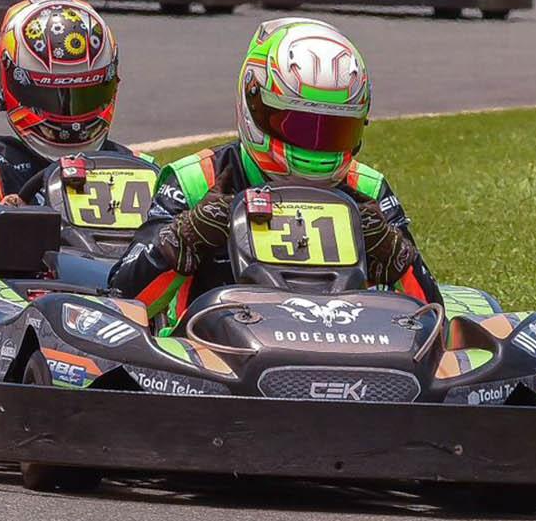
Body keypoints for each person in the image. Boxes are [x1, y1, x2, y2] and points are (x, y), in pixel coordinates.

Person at [108, 17, 440, 326]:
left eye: (334, 130)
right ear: (256, 106)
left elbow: (433, 318)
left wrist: (395, 255)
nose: (315, 143)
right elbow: (121, 301)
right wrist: (183, 239)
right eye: (299, 126)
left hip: (349, 347)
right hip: (214, 358)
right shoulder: (197, 179)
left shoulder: (368, 189)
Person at [0, 0, 140, 252]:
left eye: (86, 95)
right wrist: (1, 230)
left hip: (124, 290)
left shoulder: (138, 168)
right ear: (12, 84)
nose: (69, 117)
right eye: (49, 97)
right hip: (29, 289)